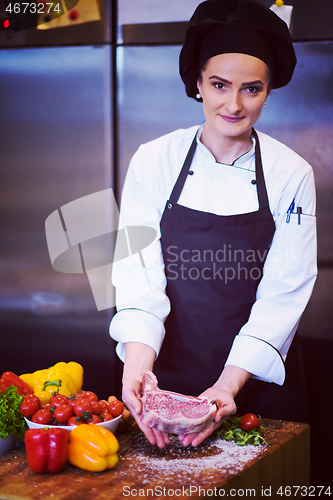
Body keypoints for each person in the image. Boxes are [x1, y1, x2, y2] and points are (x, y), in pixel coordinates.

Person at [110, 0, 317, 449]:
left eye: (252, 89)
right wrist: (138, 372)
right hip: (164, 377)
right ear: (198, 84)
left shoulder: (291, 173)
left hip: (256, 381)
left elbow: (286, 287)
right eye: (220, 85)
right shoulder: (154, 160)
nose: (234, 104)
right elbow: (138, 276)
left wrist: (229, 383)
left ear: (267, 90)